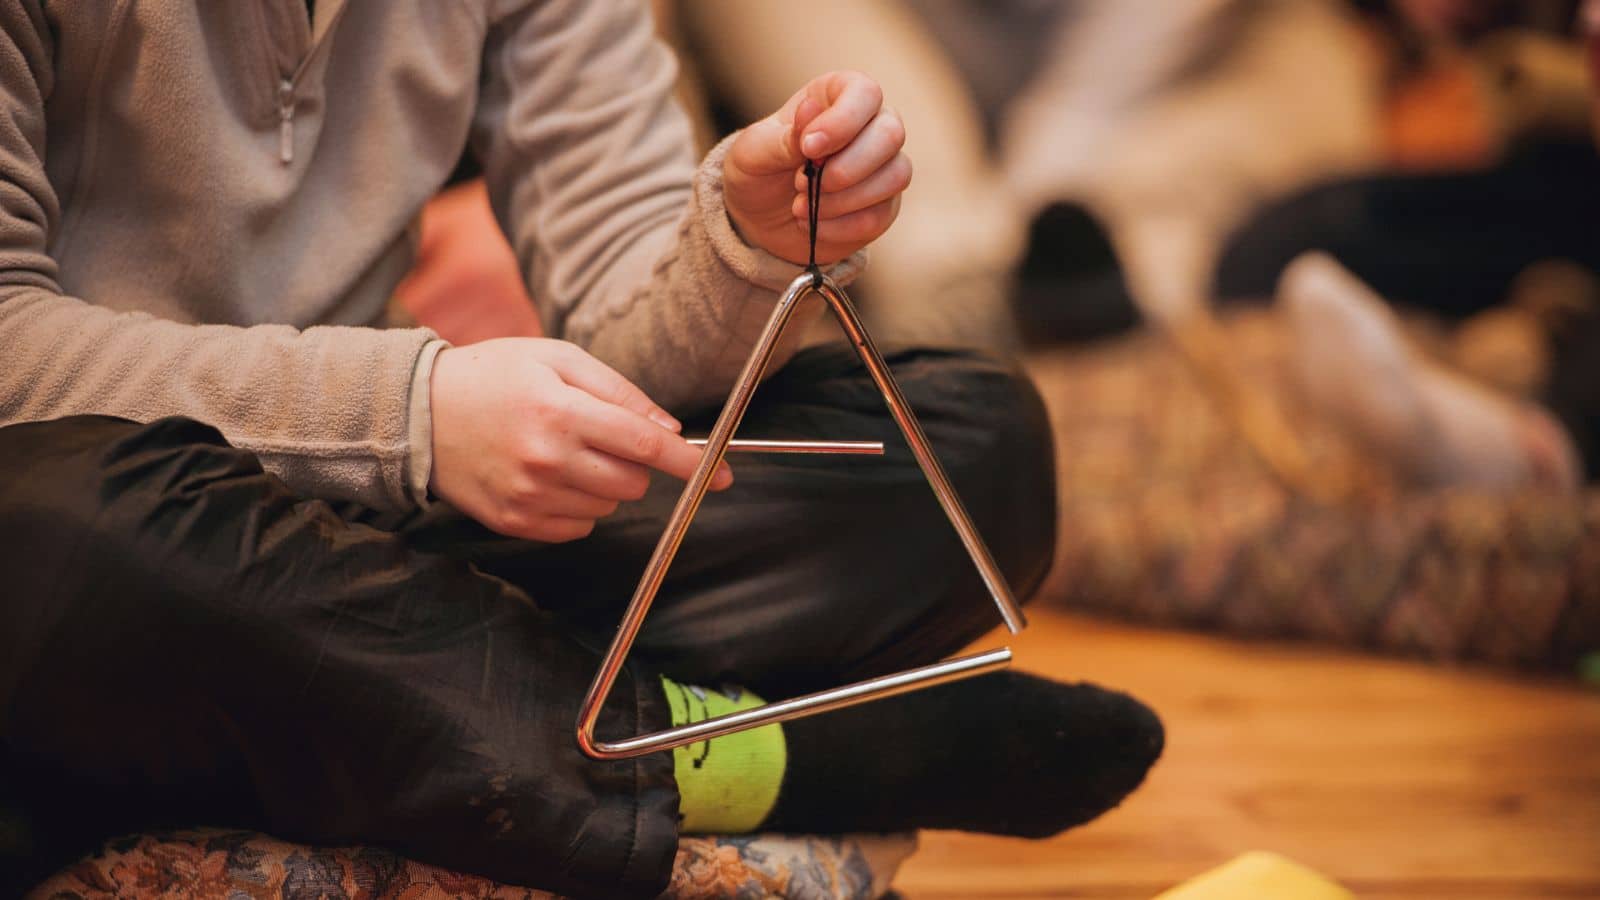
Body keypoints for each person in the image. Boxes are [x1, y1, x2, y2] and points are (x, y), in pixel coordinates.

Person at [0, 3, 1161, 897]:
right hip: (103, 509)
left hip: (366, 540)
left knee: (972, 450)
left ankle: (358, 707)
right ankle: (759, 757)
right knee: (56, 542)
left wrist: (745, 248)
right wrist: (416, 413)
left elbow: (623, 304)